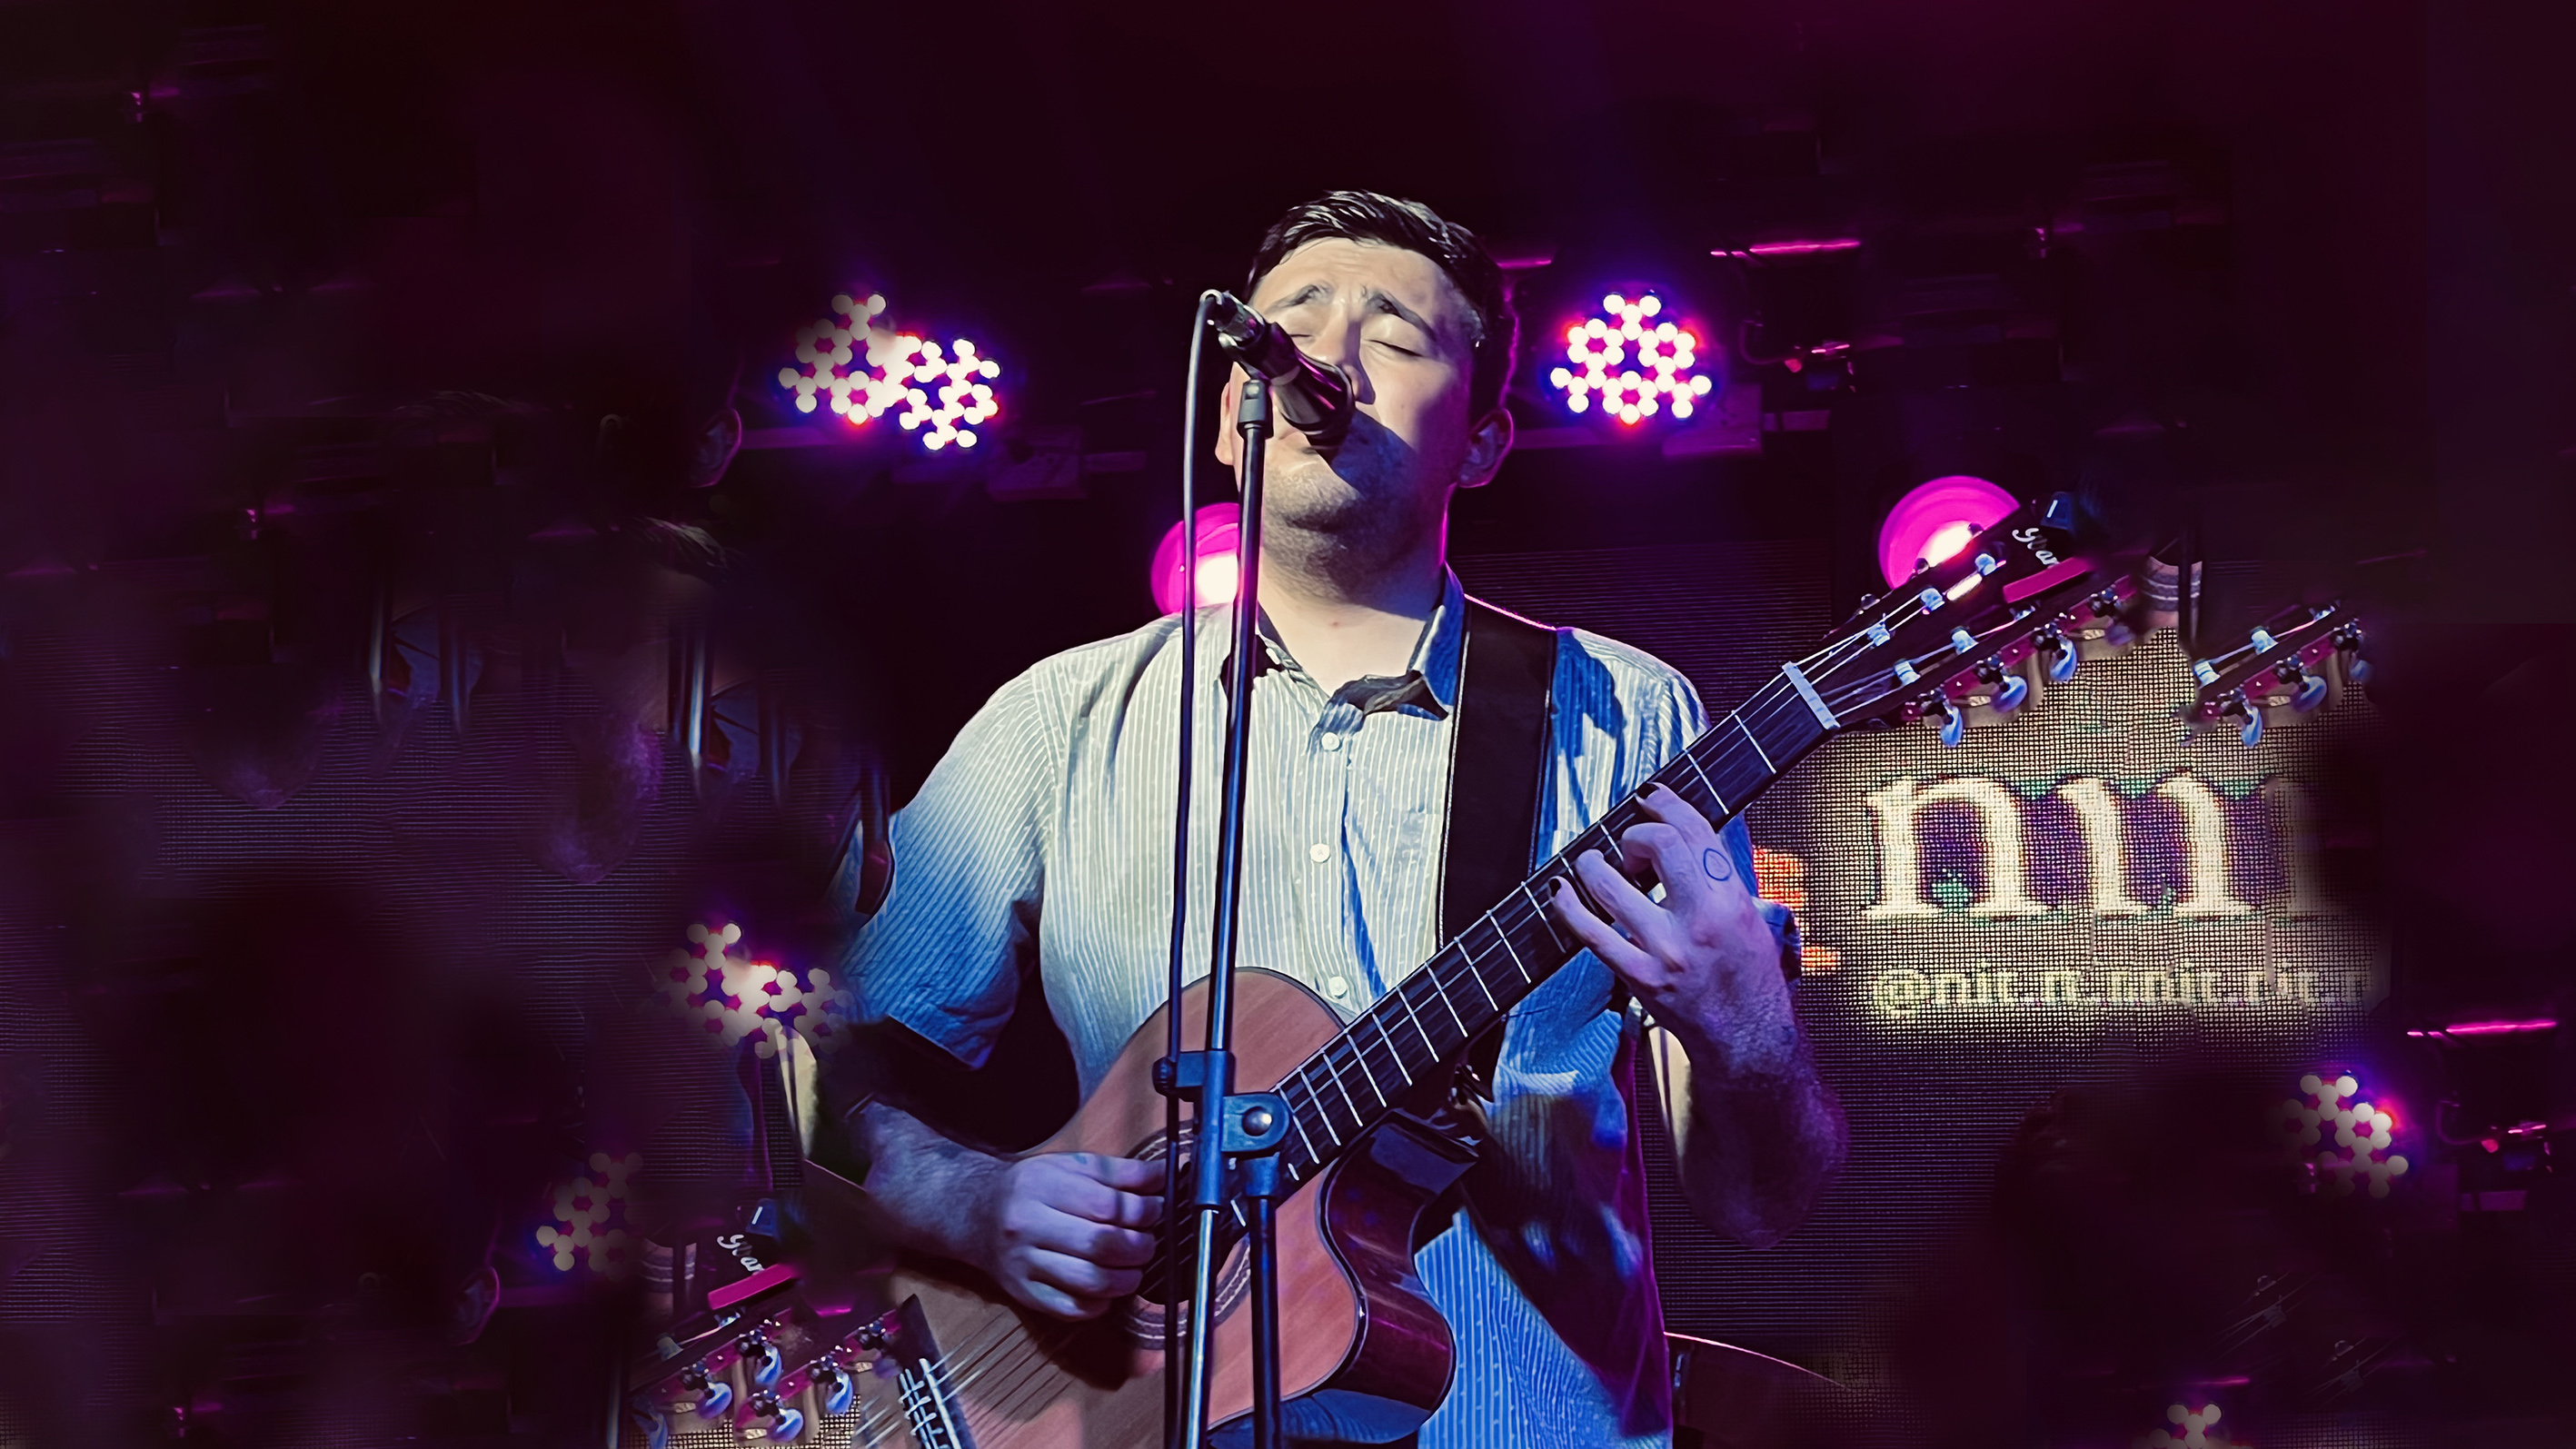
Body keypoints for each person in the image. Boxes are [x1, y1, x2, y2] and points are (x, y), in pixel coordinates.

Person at [833, 191, 1847, 1447]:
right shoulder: (1059, 718)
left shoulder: (1624, 718)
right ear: (1225, 411)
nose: (1328, 355)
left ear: (1481, 442)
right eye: (1292, 321)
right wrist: (976, 1201)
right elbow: (820, 1071)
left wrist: (1750, 1030)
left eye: (1398, 335)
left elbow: (1762, 1206)